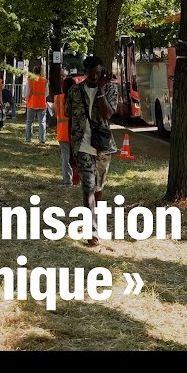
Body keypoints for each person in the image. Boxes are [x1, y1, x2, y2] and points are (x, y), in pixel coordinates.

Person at [65, 55, 118, 246]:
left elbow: (108, 114)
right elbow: (70, 119)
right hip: (82, 146)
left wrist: (102, 90)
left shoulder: (111, 88)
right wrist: (71, 150)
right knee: (88, 187)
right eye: (91, 72)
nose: (95, 76)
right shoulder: (74, 91)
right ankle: (91, 229)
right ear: (85, 72)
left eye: (98, 72)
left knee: (98, 188)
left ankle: (97, 222)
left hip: (102, 146)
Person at [55, 77, 75, 186]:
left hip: (62, 131)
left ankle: (67, 180)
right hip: (76, 132)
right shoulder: (77, 98)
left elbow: (56, 114)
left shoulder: (57, 98)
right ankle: (80, 178)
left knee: (65, 158)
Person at [24, 65, 49, 143]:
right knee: (42, 122)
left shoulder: (30, 80)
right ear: (40, 72)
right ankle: (42, 139)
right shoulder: (44, 81)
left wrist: (26, 98)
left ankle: (28, 139)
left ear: (33, 72)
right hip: (42, 104)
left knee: (29, 122)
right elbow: (47, 93)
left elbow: (26, 92)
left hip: (32, 103)